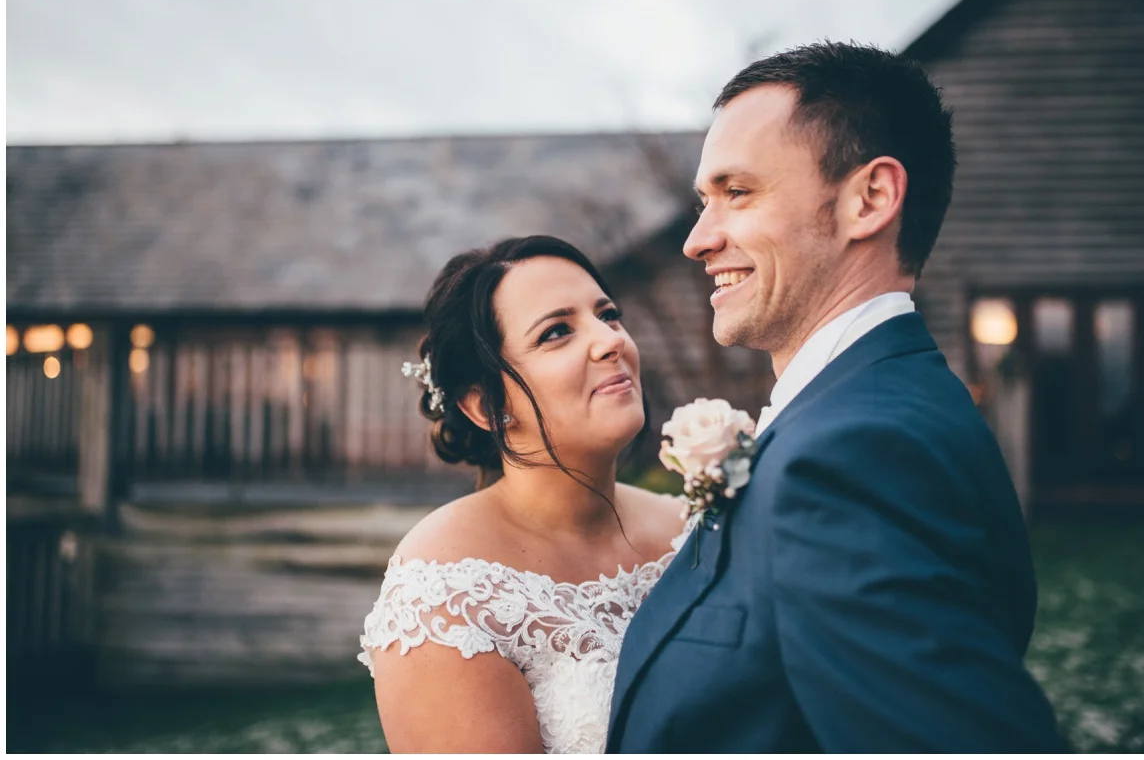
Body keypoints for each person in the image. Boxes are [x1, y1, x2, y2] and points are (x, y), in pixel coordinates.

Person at [607, 41, 1068, 752]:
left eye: (737, 192)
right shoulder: (874, 413)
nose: (697, 240)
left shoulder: (854, 457)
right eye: (704, 201)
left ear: (869, 199)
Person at [358, 235, 688, 753]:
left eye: (608, 315)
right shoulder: (447, 595)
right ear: (486, 407)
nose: (610, 342)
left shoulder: (694, 527)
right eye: (557, 332)